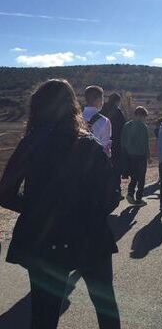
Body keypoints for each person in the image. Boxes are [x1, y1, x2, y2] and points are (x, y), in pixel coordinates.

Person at [0, 79, 121, 329]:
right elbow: (113, 195)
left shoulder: (30, 144)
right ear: (72, 106)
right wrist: (89, 213)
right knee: (105, 308)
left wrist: (37, 210)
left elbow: (5, 192)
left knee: (43, 316)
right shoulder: (88, 144)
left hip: (44, 238)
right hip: (90, 235)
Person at [121, 106, 150, 207]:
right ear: (141, 115)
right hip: (140, 155)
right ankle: (138, 198)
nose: (144, 119)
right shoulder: (143, 127)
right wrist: (149, 156)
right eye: (144, 117)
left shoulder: (126, 125)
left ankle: (130, 193)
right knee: (141, 178)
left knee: (133, 176)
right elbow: (146, 143)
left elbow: (123, 141)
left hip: (129, 155)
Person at [101, 93, 126, 195]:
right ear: (117, 101)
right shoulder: (118, 112)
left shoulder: (101, 109)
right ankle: (116, 190)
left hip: (101, 142)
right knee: (116, 167)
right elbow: (123, 128)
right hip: (115, 143)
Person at [83, 85, 112, 157]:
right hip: (95, 161)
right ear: (98, 100)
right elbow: (105, 148)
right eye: (102, 99)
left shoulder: (76, 118)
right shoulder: (105, 121)